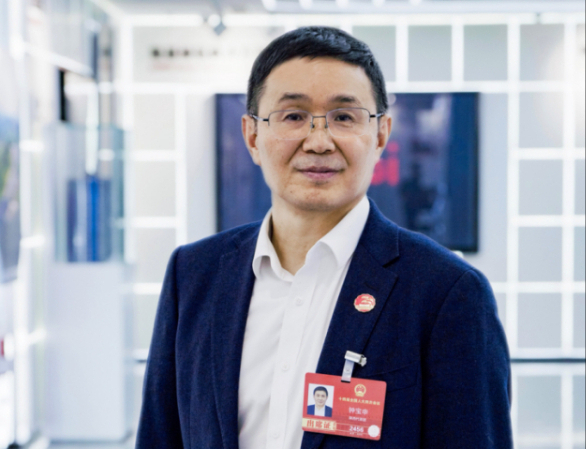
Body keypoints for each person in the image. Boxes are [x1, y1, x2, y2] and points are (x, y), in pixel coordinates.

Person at [136, 26, 513, 449]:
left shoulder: (447, 293)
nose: (318, 142)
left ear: (381, 135)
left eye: (344, 117)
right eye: (293, 116)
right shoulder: (193, 275)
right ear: (252, 136)